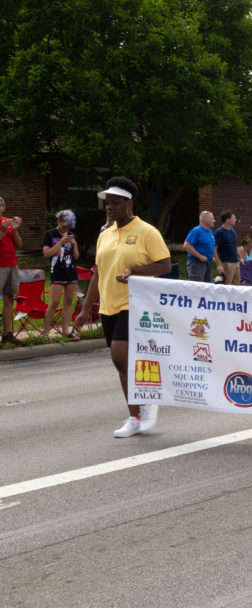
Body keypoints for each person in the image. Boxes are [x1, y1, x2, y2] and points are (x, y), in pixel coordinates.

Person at [74, 176, 171, 437]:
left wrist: (135, 270)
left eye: (115, 203)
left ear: (129, 203)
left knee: (120, 356)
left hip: (136, 304)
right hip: (109, 305)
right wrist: (85, 308)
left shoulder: (147, 231)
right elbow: (97, 273)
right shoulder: (104, 235)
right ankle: (135, 417)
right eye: (108, 203)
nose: (109, 207)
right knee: (122, 364)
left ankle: (146, 404)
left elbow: (165, 264)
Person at [41, 209, 80, 340]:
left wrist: (74, 245)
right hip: (56, 272)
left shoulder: (71, 235)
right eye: (64, 223)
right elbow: (46, 254)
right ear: (58, 221)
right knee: (54, 302)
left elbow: (76, 256)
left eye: (69, 223)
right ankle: (45, 333)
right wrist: (60, 243)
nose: (67, 226)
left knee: (68, 301)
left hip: (71, 272)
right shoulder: (50, 234)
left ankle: (65, 332)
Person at [0, 197, 25, 346]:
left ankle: (7, 333)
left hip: (11, 264)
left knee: (9, 299)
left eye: (0, 205)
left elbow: (19, 244)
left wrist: (14, 230)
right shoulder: (4, 225)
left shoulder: (7, 222)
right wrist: (3, 230)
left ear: (4, 207)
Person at [183, 210, 216, 282]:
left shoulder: (210, 232)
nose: (214, 220)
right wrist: (200, 256)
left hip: (207, 263)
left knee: (207, 286)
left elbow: (211, 245)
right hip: (196, 263)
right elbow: (186, 245)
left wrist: (212, 256)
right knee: (196, 286)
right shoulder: (196, 231)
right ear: (204, 219)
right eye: (212, 218)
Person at [213, 210, 240, 285]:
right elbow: (214, 249)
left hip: (236, 262)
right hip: (227, 263)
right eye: (233, 218)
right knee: (227, 286)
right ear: (228, 219)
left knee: (236, 286)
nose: (235, 219)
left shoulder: (232, 230)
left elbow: (234, 245)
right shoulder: (219, 232)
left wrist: (239, 257)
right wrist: (218, 264)